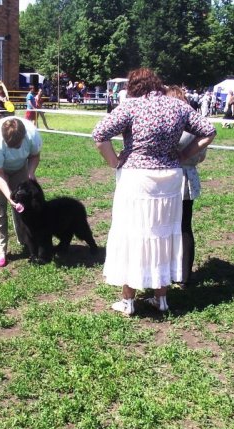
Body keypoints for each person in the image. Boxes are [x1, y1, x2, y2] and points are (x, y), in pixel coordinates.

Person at [91, 68, 216, 316]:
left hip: (137, 180)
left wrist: (114, 161)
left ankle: (128, 300)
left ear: (134, 87)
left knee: (133, 234)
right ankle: (161, 299)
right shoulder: (177, 106)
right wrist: (184, 155)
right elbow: (209, 131)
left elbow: (99, 135)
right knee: (164, 235)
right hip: (170, 180)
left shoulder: (130, 106)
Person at [0, 117, 42, 268]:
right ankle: (1, 250)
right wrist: (10, 196)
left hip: (19, 167)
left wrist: (31, 173)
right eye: (11, 146)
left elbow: (34, 155)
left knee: (24, 205)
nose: (15, 148)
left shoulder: (32, 135)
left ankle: (26, 241)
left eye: (18, 145)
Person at [165, 85, 214, 288]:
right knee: (185, 227)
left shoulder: (171, 123)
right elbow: (201, 156)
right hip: (188, 178)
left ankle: (168, 272)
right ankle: (184, 276)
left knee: (168, 227)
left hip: (170, 178)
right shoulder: (196, 125)